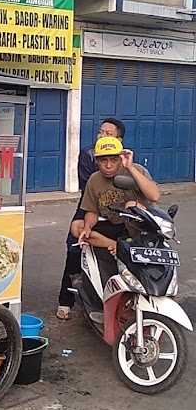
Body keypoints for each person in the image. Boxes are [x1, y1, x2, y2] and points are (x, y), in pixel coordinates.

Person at [56, 118, 125, 319]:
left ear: (119, 139)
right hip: (91, 205)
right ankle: (65, 300)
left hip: (118, 210)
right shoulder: (88, 154)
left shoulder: (125, 158)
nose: (102, 136)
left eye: (108, 134)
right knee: (74, 246)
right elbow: (90, 188)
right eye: (100, 132)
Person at [77, 135, 160, 258]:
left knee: (131, 204)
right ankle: (116, 245)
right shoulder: (94, 179)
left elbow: (154, 196)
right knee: (77, 226)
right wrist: (87, 227)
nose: (108, 165)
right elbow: (92, 210)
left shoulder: (137, 170)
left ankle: (132, 246)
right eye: (103, 160)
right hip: (113, 224)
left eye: (113, 160)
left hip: (138, 226)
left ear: (121, 159)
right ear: (97, 161)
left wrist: (130, 167)